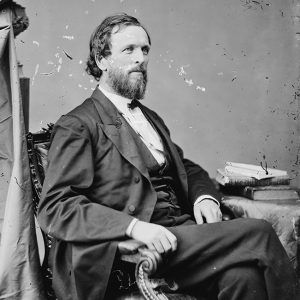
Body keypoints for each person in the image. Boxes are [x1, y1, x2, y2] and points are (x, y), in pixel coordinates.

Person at [38, 13, 299, 300]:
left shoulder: (149, 117)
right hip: (138, 246)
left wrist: (204, 197)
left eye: (145, 49)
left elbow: (185, 167)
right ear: (102, 61)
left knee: (243, 277)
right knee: (259, 232)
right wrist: (135, 227)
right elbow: (56, 206)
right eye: (129, 50)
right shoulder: (78, 124)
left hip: (184, 235)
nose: (141, 58)